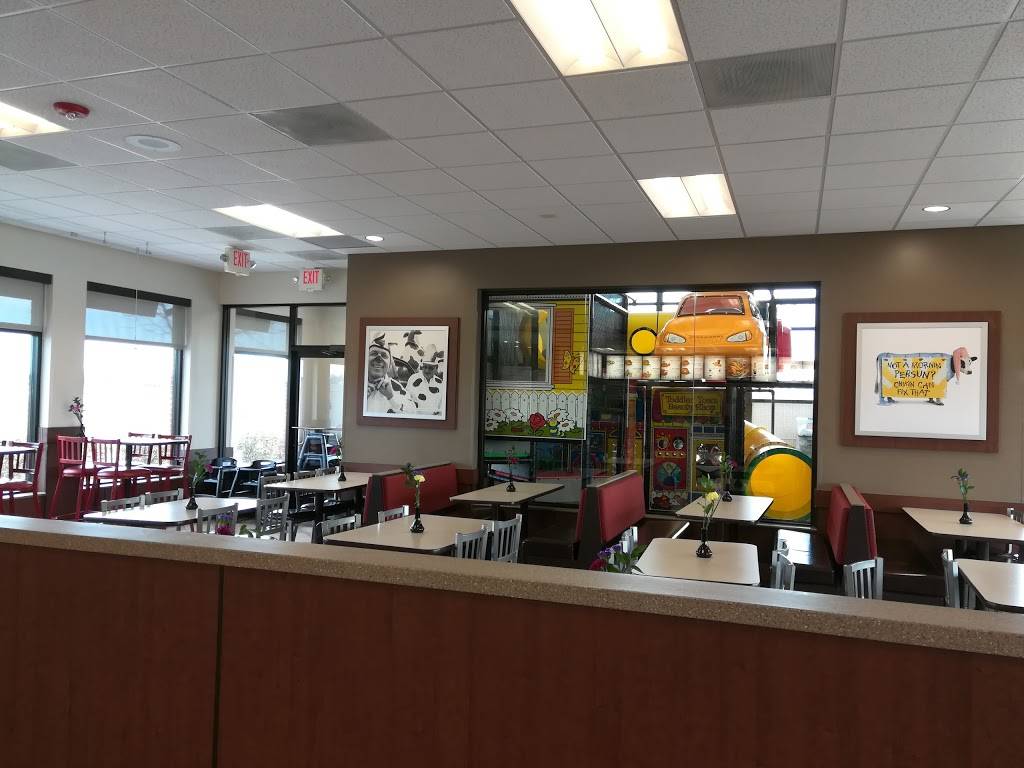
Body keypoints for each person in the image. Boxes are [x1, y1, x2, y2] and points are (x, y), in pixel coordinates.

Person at [364, 335, 415, 414]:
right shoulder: (356, 385)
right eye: (374, 353)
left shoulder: (397, 388)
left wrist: (391, 398)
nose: (379, 358)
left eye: (384, 355)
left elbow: (413, 413)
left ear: (389, 364)